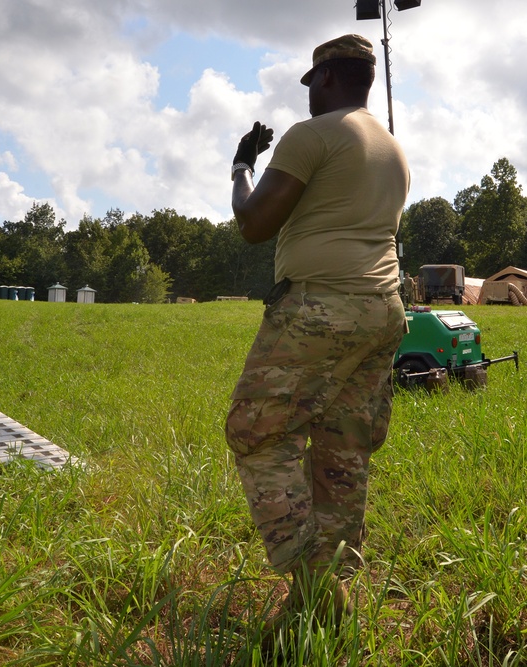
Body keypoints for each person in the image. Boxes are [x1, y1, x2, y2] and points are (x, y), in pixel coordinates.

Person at [225, 34, 409, 641]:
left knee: (257, 433)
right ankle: (326, 591)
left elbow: (254, 225)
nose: (307, 98)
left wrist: (241, 168)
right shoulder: (392, 149)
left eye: (311, 84)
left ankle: (316, 587)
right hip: (383, 310)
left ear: (327, 77)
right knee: (343, 446)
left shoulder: (315, 135)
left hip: (320, 307)